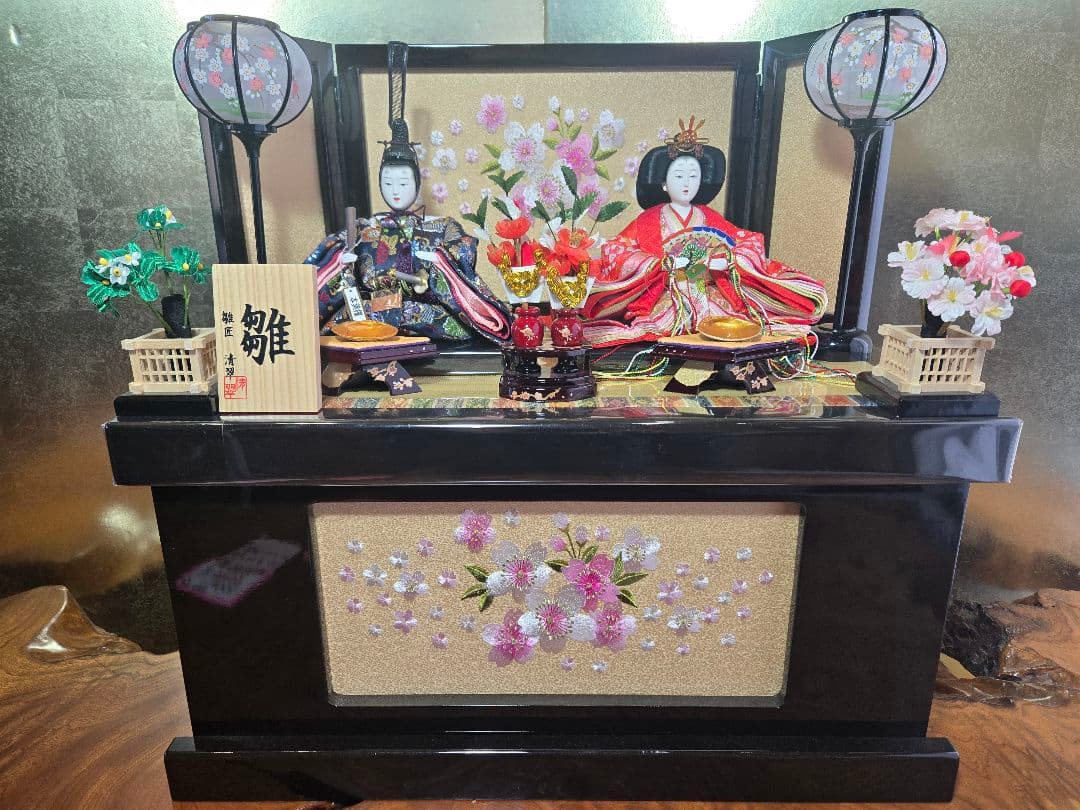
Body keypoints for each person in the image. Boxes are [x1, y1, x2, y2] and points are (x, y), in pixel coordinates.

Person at [308, 42, 510, 343]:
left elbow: (461, 254)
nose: (395, 191)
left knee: (433, 320)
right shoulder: (362, 230)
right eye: (388, 183)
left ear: (417, 182)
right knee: (345, 325)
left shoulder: (440, 228)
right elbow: (337, 276)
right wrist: (341, 261)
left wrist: (438, 261)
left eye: (403, 183)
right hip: (369, 313)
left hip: (417, 311)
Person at [582, 118, 827, 347]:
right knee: (663, 325)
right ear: (664, 183)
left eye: (693, 176)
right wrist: (659, 264)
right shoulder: (648, 220)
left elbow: (746, 242)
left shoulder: (710, 218)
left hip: (708, 291)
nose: (686, 183)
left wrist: (726, 260)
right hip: (667, 293)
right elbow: (618, 250)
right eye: (679, 176)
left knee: (731, 326)